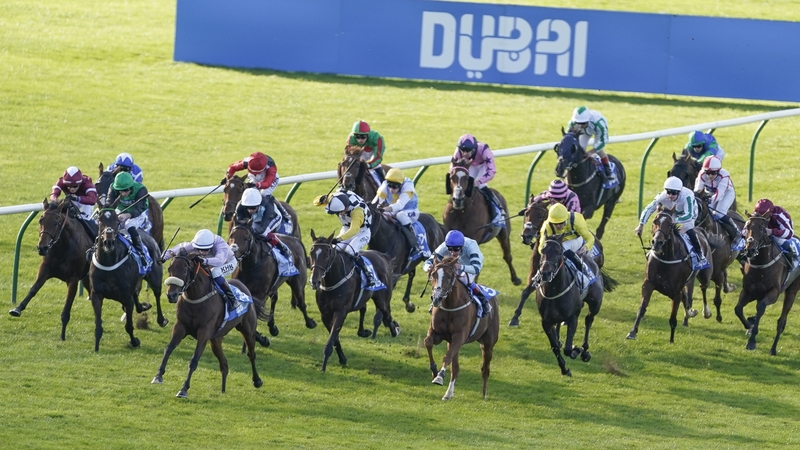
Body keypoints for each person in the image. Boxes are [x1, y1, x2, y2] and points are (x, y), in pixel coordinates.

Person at [635, 176, 709, 268]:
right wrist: (641, 225)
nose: (670, 195)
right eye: (668, 192)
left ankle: (700, 255)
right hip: (673, 213)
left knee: (687, 229)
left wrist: (674, 221)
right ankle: (656, 247)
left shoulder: (687, 196)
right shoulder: (662, 195)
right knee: (663, 228)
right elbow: (649, 208)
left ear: (679, 192)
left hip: (689, 214)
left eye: (673, 193)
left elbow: (689, 215)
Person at [162, 229, 239, 310]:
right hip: (210, 262)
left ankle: (233, 299)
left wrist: (204, 260)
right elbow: (175, 250)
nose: (202, 253)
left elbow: (220, 260)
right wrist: (164, 257)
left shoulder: (220, 244)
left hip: (227, 262)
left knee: (215, 272)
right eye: (199, 249)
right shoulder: (194, 244)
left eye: (206, 250)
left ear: (212, 245)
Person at [423, 230, 491, 317]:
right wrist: (428, 267)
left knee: (464, 279)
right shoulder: (444, 246)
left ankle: (483, 300)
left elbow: (476, 268)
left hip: (471, 264)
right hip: (455, 264)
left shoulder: (471, 246)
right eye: (450, 249)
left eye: (456, 249)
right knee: (443, 278)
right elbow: (428, 261)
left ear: (462, 246)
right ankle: (436, 300)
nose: (452, 252)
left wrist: (461, 267)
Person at [372, 168, 429, 259]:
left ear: (401, 184)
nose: (391, 189)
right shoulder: (385, 185)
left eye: (394, 187)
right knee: (382, 217)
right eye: (390, 185)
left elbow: (400, 205)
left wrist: (384, 209)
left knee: (401, 215)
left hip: (410, 210)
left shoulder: (408, 187)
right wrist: (373, 208)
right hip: (395, 209)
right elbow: (376, 201)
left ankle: (415, 244)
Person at [236, 188, 297, 273]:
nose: (250, 210)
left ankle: (283, 248)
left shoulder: (268, 206)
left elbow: (262, 229)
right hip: (256, 219)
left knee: (264, 234)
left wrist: (252, 232)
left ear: (259, 204)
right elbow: (240, 223)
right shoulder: (240, 206)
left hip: (273, 218)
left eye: (253, 207)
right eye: (248, 207)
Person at [225, 151, 291, 228]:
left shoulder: (271, 168)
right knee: (248, 194)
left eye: (256, 171)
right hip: (254, 178)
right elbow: (232, 167)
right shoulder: (247, 161)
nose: (255, 172)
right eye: (252, 170)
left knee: (264, 194)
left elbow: (267, 183)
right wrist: (227, 177)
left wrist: (256, 185)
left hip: (270, 179)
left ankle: (283, 211)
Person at [324, 189, 376, 285]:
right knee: (334, 249)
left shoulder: (357, 211)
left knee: (350, 251)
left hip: (362, 232)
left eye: (340, 212)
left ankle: (368, 274)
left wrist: (339, 239)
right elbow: (318, 202)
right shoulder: (335, 198)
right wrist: (321, 200)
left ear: (346, 207)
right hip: (346, 228)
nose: (340, 214)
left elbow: (354, 230)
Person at [693, 156, 744, 249]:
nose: (710, 176)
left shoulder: (724, 175)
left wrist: (709, 201)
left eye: (713, 173)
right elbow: (697, 191)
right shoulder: (701, 174)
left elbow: (719, 194)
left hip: (726, 193)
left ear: (718, 171)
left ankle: (737, 235)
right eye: (707, 172)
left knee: (719, 213)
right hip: (709, 193)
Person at [450, 134, 502, 222]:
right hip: (470, 165)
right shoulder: (458, 150)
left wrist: (479, 182)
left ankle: (498, 209)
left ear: (473, 149)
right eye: (463, 151)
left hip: (483, 166)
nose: (464, 154)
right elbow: (453, 167)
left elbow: (491, 171)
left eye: (468, 151)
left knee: (481, 186)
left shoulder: (484, 150)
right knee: (463, 185)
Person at [538, 203, 594, 276]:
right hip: (557, 243)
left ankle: (583, 270)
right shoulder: (546, 226)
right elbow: (541, 247)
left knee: (563, 247)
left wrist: (586, 246)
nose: (558, 226)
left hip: (576, 240)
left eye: (561, 223)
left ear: (566, 219)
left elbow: (590, 238)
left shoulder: (576, 220)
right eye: (555, 223)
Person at [106, 172, 151, 258]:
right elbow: (109, 203)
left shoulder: (141, 190)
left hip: (138, 213)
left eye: (126, 190)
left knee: (129, 225)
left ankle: (140, 252)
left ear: (131, 187)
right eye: (120, 191)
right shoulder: (113, 187)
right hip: (120, 210)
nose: (123, 193)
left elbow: (139, 209)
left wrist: (127, 215)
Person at [567, 106, 615, 182]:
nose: (580, 126)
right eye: (578, 123)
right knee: (580, 148)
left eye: (583, 123)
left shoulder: (600, 123)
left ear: (588, 120)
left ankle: (608, 169)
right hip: (586, 131)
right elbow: (568, 137)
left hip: (597, 130)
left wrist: (591, 152)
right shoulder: (573, 123)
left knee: (598, 149)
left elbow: (603, 141)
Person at [753, 198, 799, 268]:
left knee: (778, 240)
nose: (764, 221)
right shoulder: (755, 215)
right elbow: (744, 232)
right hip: (765, 230)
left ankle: (794, 257)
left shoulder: (780, 215)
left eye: (766, 218)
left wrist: (772, 231)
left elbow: (789, 233)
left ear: (770, 214)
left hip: (780, 230)